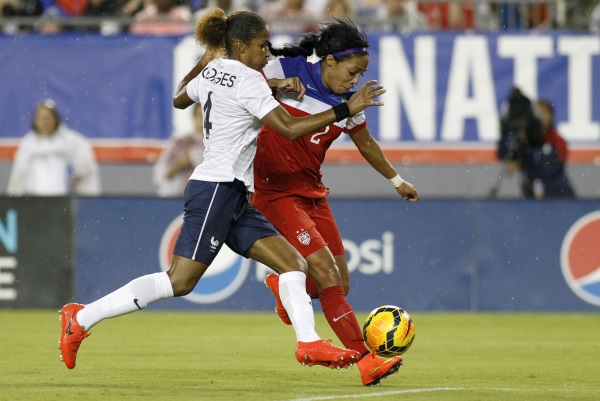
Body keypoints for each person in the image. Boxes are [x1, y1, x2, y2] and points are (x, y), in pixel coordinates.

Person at [59, 8, 386, 372]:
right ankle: (81, 317)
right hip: (216, 187)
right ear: (241, 45)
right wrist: (345, 109)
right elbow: (291, 129)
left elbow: (181, 98)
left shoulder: (217, 72)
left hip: (235, 194)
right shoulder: (249, 81)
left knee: (293, 263)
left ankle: (308, 343)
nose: (268, 53)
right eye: (262, 46)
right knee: (179, 281)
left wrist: (208, 58)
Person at [251, 18, 420, 386]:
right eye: (352, 71)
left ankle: (283, 284)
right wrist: (274, 82)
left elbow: (366, 144)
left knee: (338, 284)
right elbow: (242, 83)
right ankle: (366, 359)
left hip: (312, 193)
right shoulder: (286, 69)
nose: (355, 81)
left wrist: (397, 181)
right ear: (328, 60)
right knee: (325, 275)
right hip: (274, 192)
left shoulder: (350, 102)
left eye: (361, 74)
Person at [7, 99, 101, 196]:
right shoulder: (27, 145)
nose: (44, 122)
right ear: (35, 121)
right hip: (33, 203)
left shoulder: (71, 142)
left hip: (62, 203)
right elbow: (18, 178)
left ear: (55, 119)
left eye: (47, 118)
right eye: (41, 118)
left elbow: (85, 169)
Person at [496, 88, 574, 199]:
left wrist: (522, 163)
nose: (540, 117)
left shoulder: (556, 141)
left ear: (551, 116)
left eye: (543, 113)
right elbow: (502, 153)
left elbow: (550, 170)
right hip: (533, 201)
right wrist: (505, 131)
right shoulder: (527, 141)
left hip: (559, 198)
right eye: (537, 114)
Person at [153, 103, 205, 197]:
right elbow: (160, 175)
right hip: (180, 200)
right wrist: (178, 165)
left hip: (209, 201)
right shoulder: (180, 143)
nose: (204, 121)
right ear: (193, 117)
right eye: (201, 116)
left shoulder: (219, 144)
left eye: (208, 116)